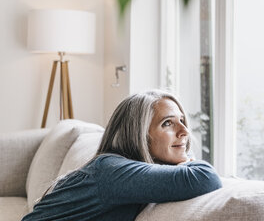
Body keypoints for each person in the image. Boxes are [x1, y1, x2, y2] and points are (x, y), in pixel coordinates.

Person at [22, 89, 222, 221]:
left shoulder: (119, 170)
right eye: (167, 123)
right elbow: (205, 178)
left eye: (182, 120)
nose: (185, 131)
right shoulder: (112, 171)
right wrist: (187, 162)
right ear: (138, 135)